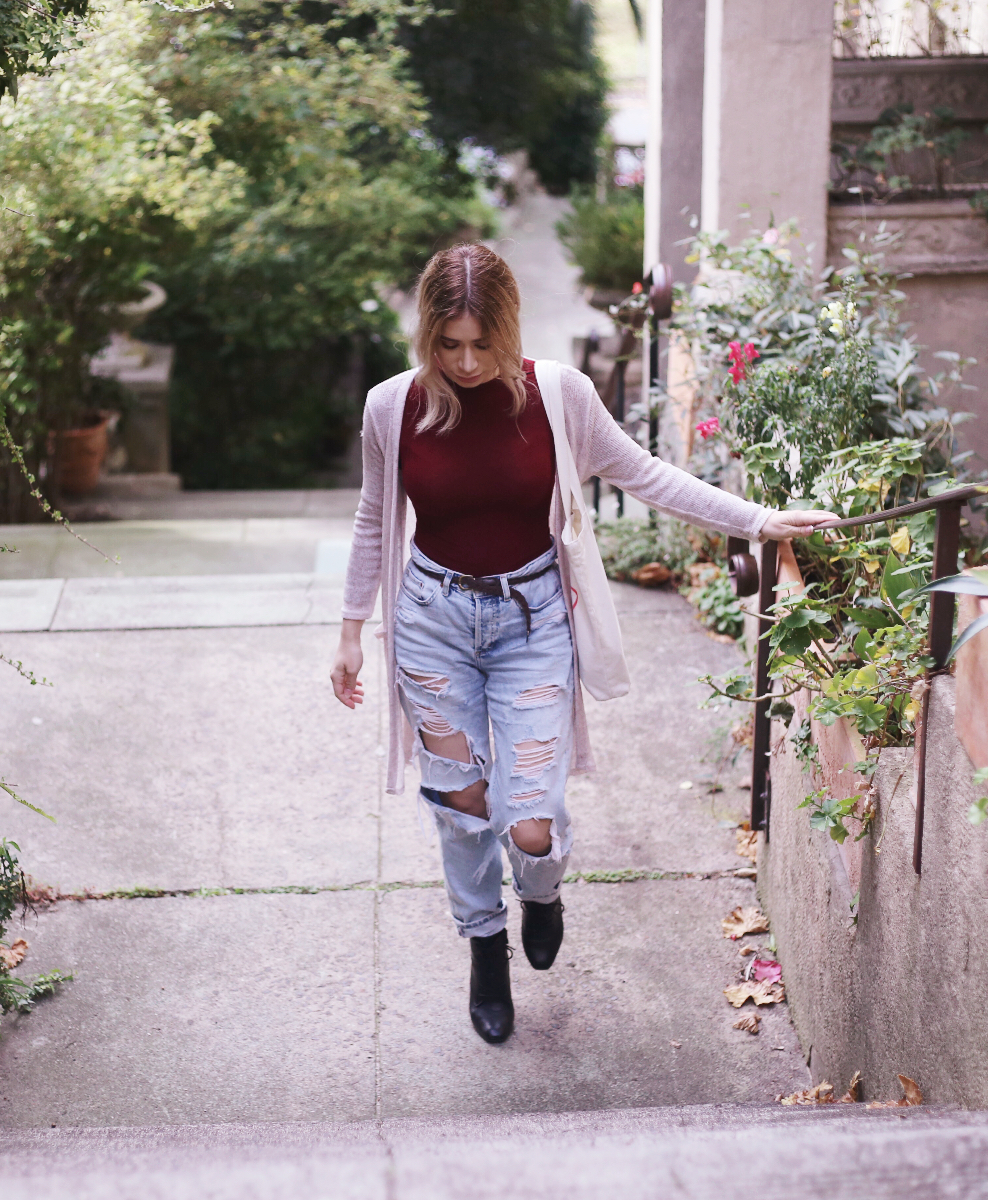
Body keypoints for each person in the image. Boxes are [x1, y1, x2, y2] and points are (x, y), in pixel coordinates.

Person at [329, 243, 834, 1045]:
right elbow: (372, 516)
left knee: (531, 818)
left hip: (531, 622)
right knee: (462, 806)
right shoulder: (393, 407)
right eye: (447, 344)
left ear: (507, 328)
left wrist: (755, 520)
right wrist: (352, 629)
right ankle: (483, 946)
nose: (463, 362)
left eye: (479, 344)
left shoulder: (558, 396)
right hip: (430, 621)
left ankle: (540, 890)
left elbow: (644, 473)